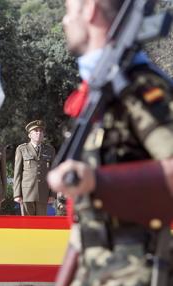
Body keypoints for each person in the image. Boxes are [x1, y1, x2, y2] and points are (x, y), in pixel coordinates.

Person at [47, 0, 173, 285]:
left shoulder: (139, 88)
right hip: (96, 263)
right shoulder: (100, 92)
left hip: (135, 269)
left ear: (90, 9)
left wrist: (97, 182)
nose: (65, 21)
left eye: (69, 11)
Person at [13, 120, 55, 216]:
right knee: (27, 224)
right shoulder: (22, 149)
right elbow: (17, 173)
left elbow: (53, 172)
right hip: (26, 193)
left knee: (42, 225)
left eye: (41, 131)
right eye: (36, 131)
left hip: (43, 193)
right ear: (29, 135)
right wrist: (17, 194)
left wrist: (53, 194)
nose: (39, 133)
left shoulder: (50, 150)